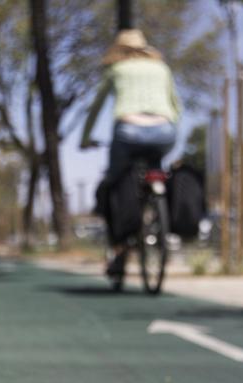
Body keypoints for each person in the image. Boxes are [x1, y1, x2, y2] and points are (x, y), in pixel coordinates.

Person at [80, 29, 181, 281]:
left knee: (115, 183)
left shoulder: (117, 69)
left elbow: (95, 108)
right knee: (155, 172)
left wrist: (85, 138)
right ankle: (155, 214)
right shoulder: (161, 68)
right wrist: (167, 128)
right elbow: (176, 107)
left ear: (120, 51)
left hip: (128, 131)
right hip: (165, 131)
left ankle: (119, 247)